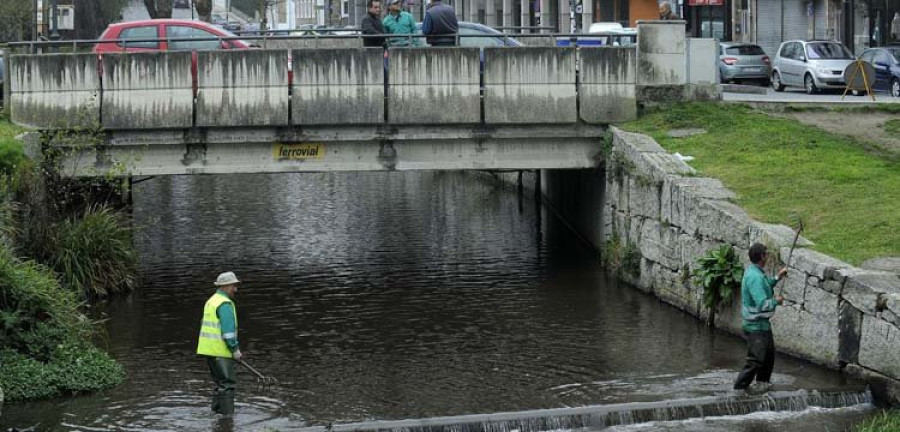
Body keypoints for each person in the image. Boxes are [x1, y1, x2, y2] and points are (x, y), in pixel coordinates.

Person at [733, 244, 788, 392]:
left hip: (762, 325)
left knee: (768, 357)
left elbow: (765, 284)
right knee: (755, 360)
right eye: (766, 254)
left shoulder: (755, 272)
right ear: (762, 256)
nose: (768, 256)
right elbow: (763, 304)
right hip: (755, 326)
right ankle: (739, 390)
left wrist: (778, 277)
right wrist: (777, 301)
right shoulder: (755, 277)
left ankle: (762, 384)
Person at [197, 271, 244, 416]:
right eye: (233, 286)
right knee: (227, 385)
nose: (235, 289)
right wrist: (235, 349)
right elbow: (228, 331)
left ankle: (216, 414)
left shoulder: (211, 300)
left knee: (219, 384)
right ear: (225, 286)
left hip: (209, 350)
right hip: (221, 351)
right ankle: (227, 418)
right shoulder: (224, 304)